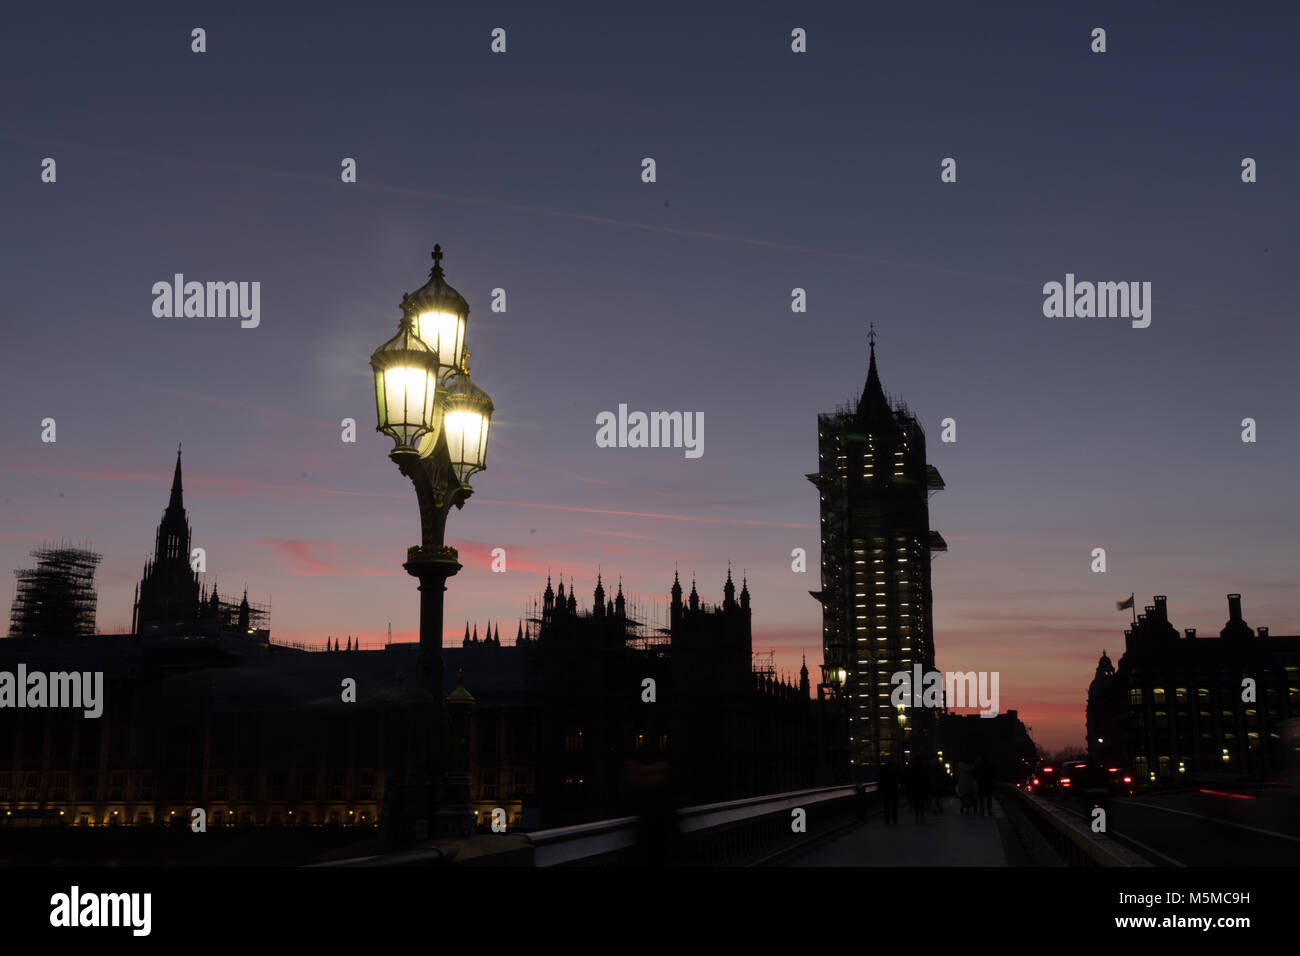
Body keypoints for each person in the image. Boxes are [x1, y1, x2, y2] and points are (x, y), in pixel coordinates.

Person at [906, 758, 929, 824]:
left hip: (915, 789)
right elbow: (926, 779)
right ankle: (922, 816)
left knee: (916, 804)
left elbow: (910, 780)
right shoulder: (923, 768)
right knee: (921, 804)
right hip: (921, 788)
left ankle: (917, 817)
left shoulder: (912, 769)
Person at [878, 760, 900, 825]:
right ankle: (894, 819)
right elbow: (898, 778)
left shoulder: (883, 769)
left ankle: (887, 819)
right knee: (894, 805)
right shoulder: (896, 769)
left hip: (886, 789)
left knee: (886, 805)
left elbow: (879, 779)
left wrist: (880, 788)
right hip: (894, 789)